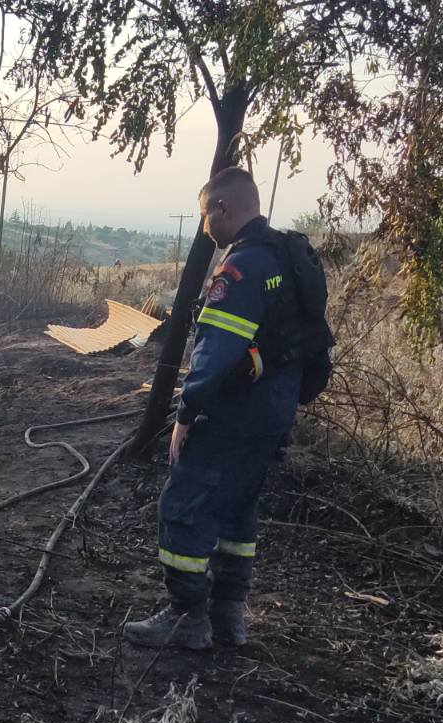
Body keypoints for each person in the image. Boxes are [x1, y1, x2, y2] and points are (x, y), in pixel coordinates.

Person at [123, 167, 302, 650]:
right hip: (274, 411)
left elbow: (216, 353)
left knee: (182, 506)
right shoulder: (286, 257)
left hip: (233, 413)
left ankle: (186, 618)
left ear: (223, 208)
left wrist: (185, 416)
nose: (205, 227)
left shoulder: (239, 270)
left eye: (206, 216)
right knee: (238, 508)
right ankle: (229, 617)